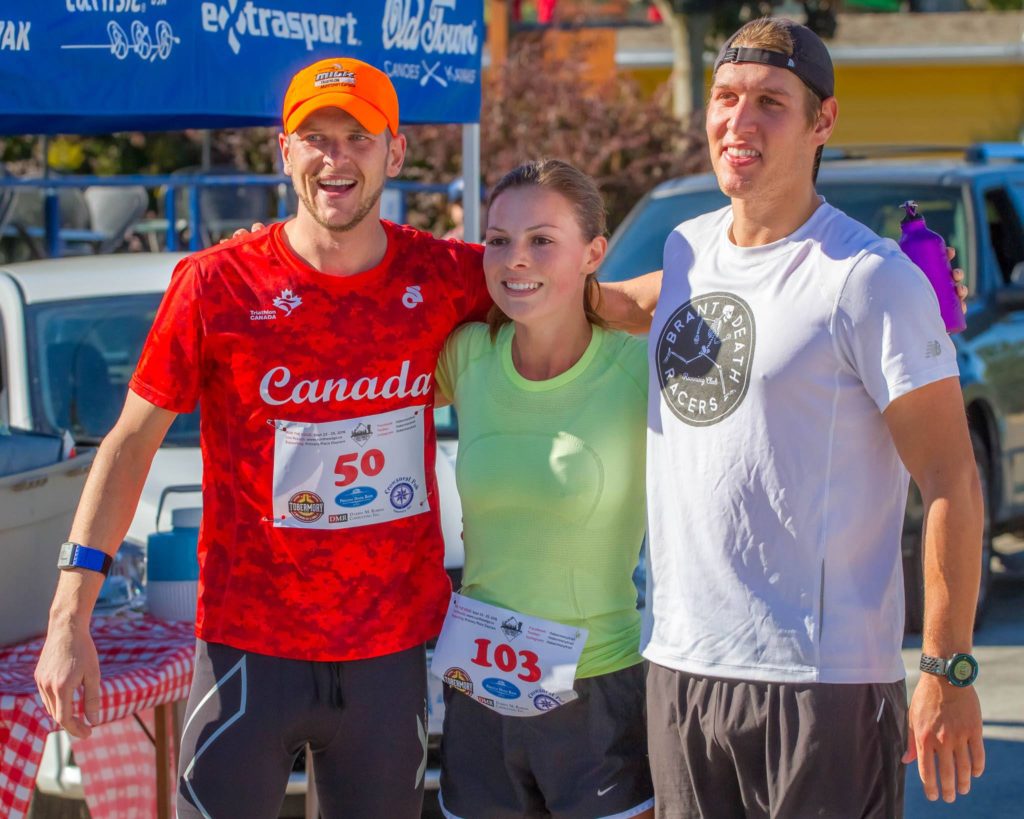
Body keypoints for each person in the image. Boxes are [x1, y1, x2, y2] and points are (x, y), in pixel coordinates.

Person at [33, 57, 655, 818]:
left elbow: (608, 297)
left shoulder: (452, 274)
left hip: (388, 658)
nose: (336, 158)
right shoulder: (217, 284)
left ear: (394, 152)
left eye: (358, 137)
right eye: (315, 137)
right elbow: (129, 444)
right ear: (283, 151)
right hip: (247, 648)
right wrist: (71, 615)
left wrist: (714, 275)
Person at [641, 17, 985, 818]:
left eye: (771, 102)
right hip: (682, 664)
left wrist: (948, 667)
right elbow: (604, 305)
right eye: (726, 98)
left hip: (821, 681)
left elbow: (951, 479)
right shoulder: (685, 251)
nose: (740, 120)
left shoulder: (869, 278)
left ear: (821, 122)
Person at [433, 159, 653, 818]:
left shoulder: (638, 359)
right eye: (498, 240)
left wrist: (904, 282)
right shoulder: (467, 354)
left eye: (541, 240)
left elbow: (740, 293)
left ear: (594, 253)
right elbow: (351, 354)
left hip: (596, 693)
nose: (515, 259)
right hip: (476, 688)